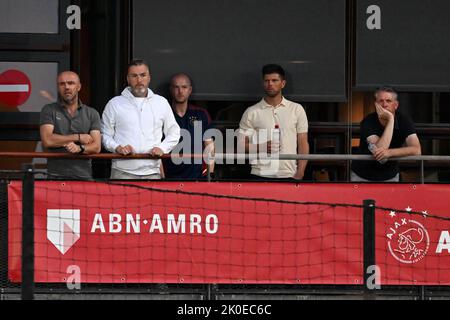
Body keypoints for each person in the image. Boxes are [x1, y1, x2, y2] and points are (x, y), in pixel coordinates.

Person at [101, 59, 180, 179]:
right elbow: (105, 134)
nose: (139, 80)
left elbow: (174, 132)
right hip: (122, 171)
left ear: (149, 77)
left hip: (152, 171)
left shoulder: (161, 102)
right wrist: (117, 147)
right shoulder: (114, 104)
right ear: (128, 79)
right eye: (134, 76)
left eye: (143, 75)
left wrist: (162, 148)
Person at [239, 64, 309, 180]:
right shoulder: (251, 112)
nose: (270, 84)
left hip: (289, 174)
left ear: (283, 83)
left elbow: (303, 143)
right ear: (263, 83)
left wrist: (300, 172)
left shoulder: (296, 109)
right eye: (267, 80)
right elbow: (241, 146)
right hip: (259, 174)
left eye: (274, 80)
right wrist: (262, 147)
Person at [351, 86, 421, 182]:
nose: (384, 104)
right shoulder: (368, 121)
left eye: (388, 101)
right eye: (381, 101)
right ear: (376, 105)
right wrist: (391, 119)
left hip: (390, 176)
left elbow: (416, 150)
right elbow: (380, 151)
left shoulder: (404, 120)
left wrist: (390, 153)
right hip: (362, 176)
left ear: (396, 105)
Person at [40, 71, 101, 179]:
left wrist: (80, 148)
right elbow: (47, 140)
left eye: (71, 83)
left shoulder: (92, 113)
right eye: (62, 84)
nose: (66, 87)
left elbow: (96, 147)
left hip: (83, 177)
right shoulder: (49, 110)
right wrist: (78, 137)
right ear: (58, 87)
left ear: (79, 87)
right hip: (55, 176)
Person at [163, 73, 214, 180]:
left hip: (197, 178)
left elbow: (210, 148)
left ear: (190, 90)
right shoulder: (162, 114)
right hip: (168, 178)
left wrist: (210, 174)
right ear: (170, 89)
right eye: (176, 87)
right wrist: (161, 177)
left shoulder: (201, 114)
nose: (180, 91)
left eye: (184, 87)